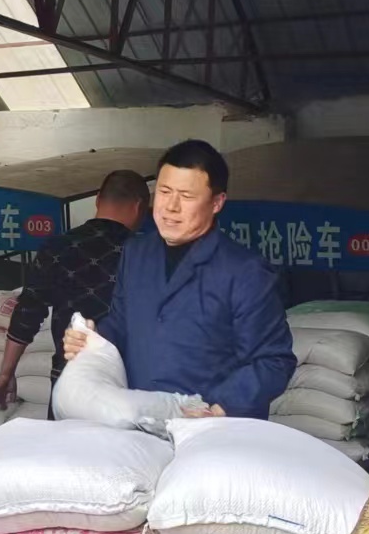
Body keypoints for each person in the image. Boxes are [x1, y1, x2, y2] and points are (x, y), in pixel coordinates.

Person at [64, 139, 295, 419]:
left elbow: (273, 360)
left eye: (186, 196)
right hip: (142, 422)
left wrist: (222, 408)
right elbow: (123, 324)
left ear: (217, 202)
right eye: (164, 192)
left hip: (211, 429)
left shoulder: (245, 271)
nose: (171, 207)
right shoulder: (137, 253)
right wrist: (92, 336)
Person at [0, 170, 150, 415]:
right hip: (126, 385)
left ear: (97, 200)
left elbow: (27, 313)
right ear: (140, 207)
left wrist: (6, 372)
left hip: (68, 380)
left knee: (64, 440)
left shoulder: (57, 247)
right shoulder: (145, 254)